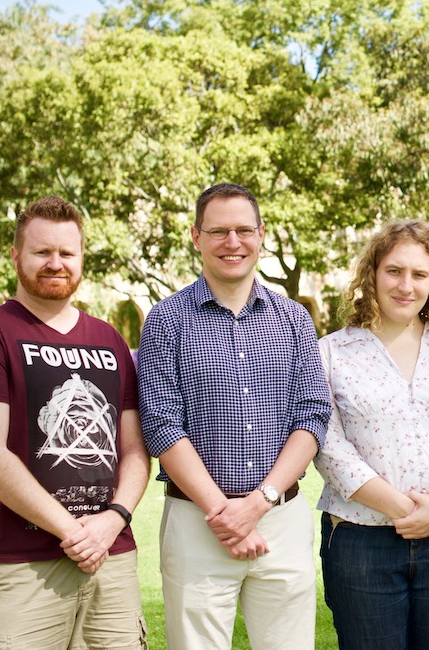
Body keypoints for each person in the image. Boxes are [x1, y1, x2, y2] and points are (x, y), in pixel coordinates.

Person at [0, 196, 150, 649]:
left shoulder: (109, 339)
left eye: (67, 253)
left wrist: (112, 520)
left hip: (111, 556)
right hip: (19, 564)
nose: (55, 263)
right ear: (17, 256)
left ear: (81, 261)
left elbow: (135, 451)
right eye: (42, 252)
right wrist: (74, 530)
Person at [137, 183, 331, 650]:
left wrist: (257, 504)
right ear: (195, 236)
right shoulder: (166, 320)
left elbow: (313, 415)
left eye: (244, 230)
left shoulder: (294, 319)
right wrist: (222, 513)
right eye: (218, 231)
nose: (233, 242)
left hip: (281, 520)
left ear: (261, 235)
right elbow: (161, 423)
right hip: (196, 524)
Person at [313, 219, 429, 649]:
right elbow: (327, 444)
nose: (405, 285)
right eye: (394, 271)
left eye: (419, 274)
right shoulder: (332, 352)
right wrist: (401, 508)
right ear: (372, 274)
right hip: (361, 541)